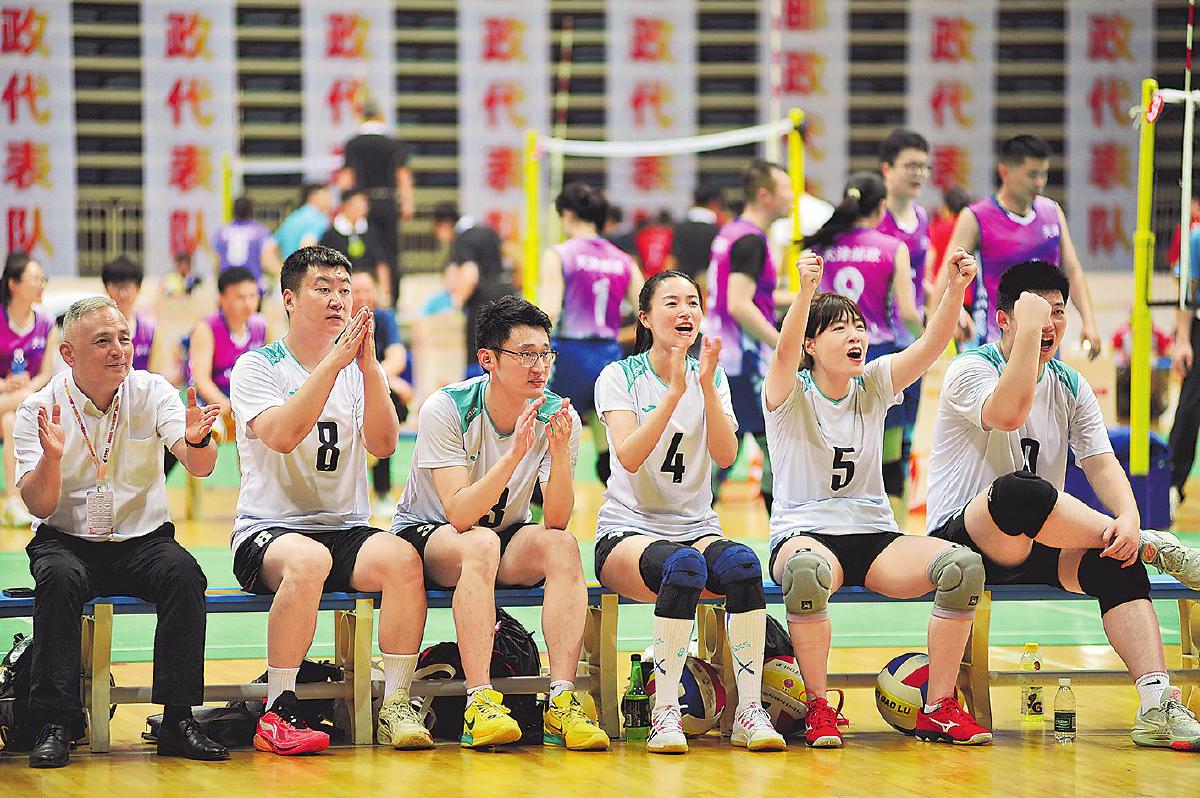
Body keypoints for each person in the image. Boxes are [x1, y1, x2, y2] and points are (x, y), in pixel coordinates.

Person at [926, 259, 1200, 752]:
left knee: (1118, 560)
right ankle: (1153, 546)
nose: (1049, 323)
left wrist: (1129, 518)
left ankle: (1156, 705)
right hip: (965, 540)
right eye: (1036, 312)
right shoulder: (970, 369)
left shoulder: (1070, 384)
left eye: (1058, 312)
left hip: (1037, 541)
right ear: (1004, 319)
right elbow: (1008, 414)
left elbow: (1101, 464)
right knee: (1018, 489)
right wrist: (1029, 337)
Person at [765, 248, 991, 748]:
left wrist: (955, 290)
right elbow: (782, 354)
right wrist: (805, 291)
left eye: (859, 327)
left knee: (962, 568)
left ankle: (939, 707)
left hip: (874, 537)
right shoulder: (789, 390)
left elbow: (931, 346)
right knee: (806, 574)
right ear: (810, 344)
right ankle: (818, 707)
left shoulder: (873, 382)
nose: (856, 337)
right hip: (805, 536)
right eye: (839, 329)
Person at [230, 245, 430, 755]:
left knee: (404, 559)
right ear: (289, 299)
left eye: (344, 289)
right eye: (323, 288)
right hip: (267, 531)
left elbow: (384, 445)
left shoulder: (356, 372)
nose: (338, 299)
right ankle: (278, 709)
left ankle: (396, 704)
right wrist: (335, 362)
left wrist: (370, 369)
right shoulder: (257, 366)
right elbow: (281, 435)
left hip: (342, 527)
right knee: (309, 560)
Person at [391, 294, 609, 752]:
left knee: (563, 546)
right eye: (525, 354)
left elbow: (556, 518)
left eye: (545, 353)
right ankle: (480, 702)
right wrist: (514, 455)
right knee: (479, 544)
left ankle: (561, 700)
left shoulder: (559, 414)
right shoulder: (446, 407)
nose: (539, 366)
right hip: (430, 534)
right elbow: (459, 513)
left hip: (502, 535)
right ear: (488, 359)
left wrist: (559, 454)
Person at [16, 297, 226, 768]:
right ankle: (55, 723)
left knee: (185, 575)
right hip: (65, 539)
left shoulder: (152, 391)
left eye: (124, 338)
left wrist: (197, 440)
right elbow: (40, 505)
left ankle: (177, 719)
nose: (119, 349)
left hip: (143, 540)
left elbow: (200, 466)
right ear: (68, 354)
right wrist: (51, 459)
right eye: (103, 341)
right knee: (58, 580)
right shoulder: (39, 408)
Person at [593, 270, 785, 754]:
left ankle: (748, 711)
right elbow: (629, 456)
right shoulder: (618, 376)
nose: (686, 311)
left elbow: (725, 455)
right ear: (645, 317)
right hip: (626, 533)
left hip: (696, 529)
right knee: (683, 567)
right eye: (672, 302)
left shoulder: (712, 375)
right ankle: (665, 712)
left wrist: (704, 388)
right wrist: (675, 393)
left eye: (693, 303)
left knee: (743, 565)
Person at [806, 171, 922, 519]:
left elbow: (808, 305)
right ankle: (892, 532)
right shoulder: (893, 247)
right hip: (879, 357)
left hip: (828, 361)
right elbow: (908, 313)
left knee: (832, 451)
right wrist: (927, 340)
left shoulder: (821, 248)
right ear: (882, 206)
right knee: (890, 460)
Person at [932, 135, 1100, 353]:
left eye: (1043, 174)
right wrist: (951, 318)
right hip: (997, 346)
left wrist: (1089, 322)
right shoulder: (976, 217)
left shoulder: (1052, 212)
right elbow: (945, 279)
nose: (1039, 182)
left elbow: (1073, 271)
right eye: (1032, 174)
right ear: (1005, 172)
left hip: (1046, 346)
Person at [703, 159, 795, 513]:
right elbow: (739, 304)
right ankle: (784, 527)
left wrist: (801, 296)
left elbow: (748, 297)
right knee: (776, 447)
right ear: (764, 195)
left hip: (725, 357)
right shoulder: (751, 241)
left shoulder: (731, 233)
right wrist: (783, 345)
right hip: (743, 362)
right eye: (786, 188)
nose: (792, 196)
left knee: (732, 446)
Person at [541, 182, 643, 483]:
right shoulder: (623, 260)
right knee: (609, 447)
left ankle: (539, 510)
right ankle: (622, 506)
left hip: (568, 357)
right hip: (609, 359)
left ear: (568, 215)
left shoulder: (560, 254)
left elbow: (549, 311)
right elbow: (650, 310)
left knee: (550, 445)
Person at [877, 130, 934, 514]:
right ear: (887, 169)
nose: (918, 173)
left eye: (923, 167)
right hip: (882, 347)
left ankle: (898, 526)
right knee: (883, 443)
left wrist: (949, 308)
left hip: (913, 343)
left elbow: (917, 281)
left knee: (906, 438)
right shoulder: (874, 219)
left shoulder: (922, 218)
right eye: (910, 165)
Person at [0, 253, 58, 526]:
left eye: (42, 279)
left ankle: (14, 503)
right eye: (35, 279)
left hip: (30, 404)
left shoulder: (47, 325)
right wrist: (5, 385)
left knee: (11, 420)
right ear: (13, 284)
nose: (40, 285)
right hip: (5, 395)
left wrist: (26, 392)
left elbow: (46, 375)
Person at [350, 268, 413, 516]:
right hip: (345, 392)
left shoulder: (384, 319)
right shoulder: (338, 321)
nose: (362, 296)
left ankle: (383, 492)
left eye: (367, 290)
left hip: (373, 388)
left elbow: (397, 358)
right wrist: (385, 380)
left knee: (389, 407)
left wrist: (378, 379)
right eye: (356, 291)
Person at [340, 100, 414, 305]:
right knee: (391, 252)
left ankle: (357, 298)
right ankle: (392, 300)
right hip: (388, 202)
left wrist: (346, 204)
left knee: (365, 250)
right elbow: (403, 176)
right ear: (381, 117)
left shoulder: (354, 144)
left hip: (361, 203)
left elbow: (346, 178)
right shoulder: (394, 143)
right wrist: (407, 202)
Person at [432, 203, 517, 377]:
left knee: (479, 355)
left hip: (484, 301)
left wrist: (456, 302)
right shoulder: (486, 231)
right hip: (507, 294)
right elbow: (511, 256)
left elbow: (471, 275)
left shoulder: (461, 240)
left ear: (445, 224)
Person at [187, 267, 269, 431]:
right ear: (222, 299)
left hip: (244, 399)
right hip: (212, 402)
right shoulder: (206, 328)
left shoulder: (261, 325)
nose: (248, 303)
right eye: (240, 297)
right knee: (213, 432)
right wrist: (229, 408)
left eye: (252, 296)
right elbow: (201, 381)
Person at [101, 255, 167, 376]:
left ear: (138, 288)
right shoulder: (98, 328)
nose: (122, 294)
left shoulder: (151, 329)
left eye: (127, 287)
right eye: (117, 287)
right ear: (106, 288)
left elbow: (156, 373)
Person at [319, 189, 391, 299]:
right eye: (359, 203)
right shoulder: (330, 234)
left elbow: (381, 262)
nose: (364, 207)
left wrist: (385, 291)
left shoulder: (371, 231)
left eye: (365, 203)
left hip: (368, 286)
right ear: (346, 205)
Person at [262, 183, 333, 275]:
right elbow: (307, 246)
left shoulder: (292, 218)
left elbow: (267, 250)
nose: (330, 201)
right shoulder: (319, 220)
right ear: (312, 197)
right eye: (326, 197)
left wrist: (281, 274)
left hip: (290, 276)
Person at [212, 196, 272, 290]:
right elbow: (266, 260)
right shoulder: (260, 231)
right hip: (251, 285)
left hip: (227, 284)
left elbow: (216, 262)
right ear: (251, 211)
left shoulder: (221, 232)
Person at [669, 186, 724, 280]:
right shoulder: (717, 231)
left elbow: (672, 260)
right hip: (707, 282)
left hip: (684, 282)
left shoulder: (679, 228)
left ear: (694, 200)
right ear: (713, 202)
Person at [927, 186, 973, 289]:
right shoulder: (973, 229)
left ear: (946, 207)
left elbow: (929, 260)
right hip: (967, 289)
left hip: (942, 288)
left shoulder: (937, 229)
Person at [635, 210, 675, 277]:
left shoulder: (642, 234)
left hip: (646, 275)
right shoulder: (669, 234)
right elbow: (671, 259)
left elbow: (636, 259)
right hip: (663, 274)